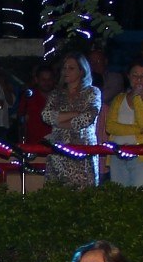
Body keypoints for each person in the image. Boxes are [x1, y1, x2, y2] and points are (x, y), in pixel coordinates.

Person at [100, 61, 143, 189]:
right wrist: (139, 130)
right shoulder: (119, 98)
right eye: (135, 75)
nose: (139, 80)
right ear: (128, 76)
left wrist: (136, 98)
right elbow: (110, 126)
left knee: (142, 196)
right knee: (121, 199)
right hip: (118, 155)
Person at [41, 52, 101, 187]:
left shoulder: (92, 92)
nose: (66, 71)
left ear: (82, 71)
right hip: (58, 154)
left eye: (71, 68)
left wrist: (59, 121)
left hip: (82, 152)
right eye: (64, 68)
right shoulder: (56, 94)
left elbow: (87, 118)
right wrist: (75, 113)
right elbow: (46, 115)